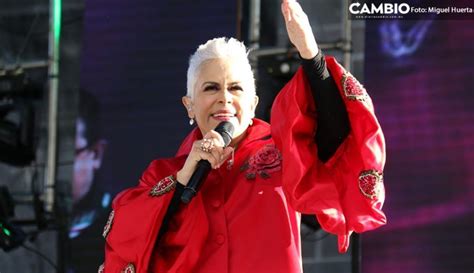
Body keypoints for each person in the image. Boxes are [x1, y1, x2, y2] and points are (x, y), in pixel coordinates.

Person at [99, 1, 386, 272]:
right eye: (211, 88)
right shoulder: (164, 174)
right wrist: (183, 181)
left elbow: (341, 139)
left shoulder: (286, 154)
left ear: (252, 104)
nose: (224, 99)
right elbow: (126, 237)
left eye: (236, 89)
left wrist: (312, 57)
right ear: (189, 104)